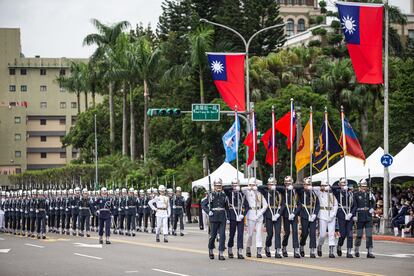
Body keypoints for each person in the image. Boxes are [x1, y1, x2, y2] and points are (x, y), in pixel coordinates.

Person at [201, 178, 228, 260]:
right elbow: (203, 204)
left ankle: (221, 253)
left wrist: (228, 217)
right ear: (214, 186)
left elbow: (227, 207)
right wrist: (208, 211)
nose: (218, 187)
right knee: (213, 235)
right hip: (214, 217)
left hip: (222, 217)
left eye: (220, 185)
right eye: (217, 186)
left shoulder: (224, 195)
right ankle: (211, 249)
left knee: (222, 235)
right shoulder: (210, 195)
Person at [258, 177, 284, 259]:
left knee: (277, 233)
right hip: (269, 215)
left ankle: (277, 251)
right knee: (270, 234)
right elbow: (259, 188)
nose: (271, 185)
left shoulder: (279, 192)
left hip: (277, 215)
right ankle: (267, 246)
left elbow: (283, 205)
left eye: (273, 184)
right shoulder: (266, 192)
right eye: (270, 184)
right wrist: (268, 187)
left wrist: (278, 214)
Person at [242, 178, 268, 258]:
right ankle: (248, 247)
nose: (252, 186)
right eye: (250, 185)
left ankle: (259, 251)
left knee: (259, 233)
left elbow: (265, 205)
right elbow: (242, 189)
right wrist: (249, 187)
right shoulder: (247, 192)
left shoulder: (260, 194)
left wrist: (259, 213)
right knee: (249, 234)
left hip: (259, 214)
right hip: (250, 214)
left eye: (253, 185)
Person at [312, 180, 338, 258]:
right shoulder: (319, 193)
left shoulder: (332, 195)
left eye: (325, 185)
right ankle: (319, 245)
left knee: (331, 233)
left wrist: (333, 214)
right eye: (322, 185)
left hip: (331, 215)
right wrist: (322, 188)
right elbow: (314, 188)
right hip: (323, 214)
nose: (323, 187)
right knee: (322, 234)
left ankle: (331, 251)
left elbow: (336, 205)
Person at [277, 176, 301, 258]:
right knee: (287, 233)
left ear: (292, 182)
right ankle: (284, 246)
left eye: (289, 182)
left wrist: (294, 213)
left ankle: (296, 250)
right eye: (286, 182)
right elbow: (277, 187)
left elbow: (299, 204)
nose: (287, 183)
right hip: (286, 214)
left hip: (294, 214)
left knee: (295, 232)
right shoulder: (283, 190)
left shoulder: (296, 191)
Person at [352, 179, 376, 258]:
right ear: (359, 186)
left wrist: (372, 208)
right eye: (362, 186)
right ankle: (357, 249)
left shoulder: (369, 194)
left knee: (369, 234)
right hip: (360, 215)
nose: (364, 188)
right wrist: (354, 215)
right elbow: (354, 206)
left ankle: (369, 252)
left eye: (365, 186)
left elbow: (373, 203)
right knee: (359, 234)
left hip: (368, 216)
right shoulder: (355, 194)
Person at [331, 178, 354, 258]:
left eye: (344, 183)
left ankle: (349, 251)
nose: (343, 184)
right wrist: (340, 187)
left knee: (350, 234)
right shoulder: (337, 192)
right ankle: (339, 245)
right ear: (339, 184)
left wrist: (351, 213)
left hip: (349, 213)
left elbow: (354, 205)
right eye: (341, 183)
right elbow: (332, 187)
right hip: (341, 212)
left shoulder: (350, 193)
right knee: (343, 234)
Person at [297, 177, 320, 258]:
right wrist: (304, 187)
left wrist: (315, 214)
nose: (307, 186)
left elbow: (317, 204)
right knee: (305, 233)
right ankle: (302, 246)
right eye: (305, 184)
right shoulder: (301, 192)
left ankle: (312, 250)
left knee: (313, 233)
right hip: (304, 215)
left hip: (312, 215)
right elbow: (296, 187)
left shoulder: (314, 193)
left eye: (308, 184)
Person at [224, 178, 246, 259]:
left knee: (240, 234)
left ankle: (240, 251)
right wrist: (233, 188)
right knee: (232, 234)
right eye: (233, 184)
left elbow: (246, 206)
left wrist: (243, 215)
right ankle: (230, 249)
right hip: (232, 216)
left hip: (240, 216)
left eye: (236, 184)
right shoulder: (229, 193)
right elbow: (225, 188)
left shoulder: (242, 193)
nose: (235, 186)